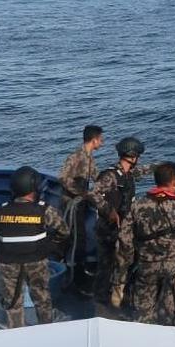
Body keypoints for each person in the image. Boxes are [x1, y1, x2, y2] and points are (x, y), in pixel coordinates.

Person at [112, 161, 175, 324]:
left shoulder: (137, 206)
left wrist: (125, 268)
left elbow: (124, 240)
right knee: (173, 312)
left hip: (146, 267)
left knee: (143, 313)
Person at [0, 166, 70, 328]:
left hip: (8, 262)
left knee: (13, 302)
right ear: (33, 189)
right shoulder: (43, 209)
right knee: (41, 298)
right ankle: (46, 329)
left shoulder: (1, 210)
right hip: (36, 261)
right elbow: (64, 231)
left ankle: (17, 332)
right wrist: (52, 243)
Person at [89, 136, 152, 314]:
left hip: (123, 228)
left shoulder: (127, 174)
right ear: (132, 156)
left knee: (123, 263)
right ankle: (100, 302)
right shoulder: (110, 176)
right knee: (106, 265)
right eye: (137, 155)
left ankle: (116, 299)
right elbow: (93, 194)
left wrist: (159, 167)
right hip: (108, 229)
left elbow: (140, 172)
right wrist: (108, 210)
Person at [58, 124, 104, 290]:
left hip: (81, 202)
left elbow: (97, 177)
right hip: (72, 203)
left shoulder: (90, 158)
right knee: (77, 237)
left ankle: (80, 267)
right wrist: (79, 192)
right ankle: (75, 273)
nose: (102, 142)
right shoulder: (76, 157)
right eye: (101, 139)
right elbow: (62, 177)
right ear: (94, 140)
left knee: (82, 235)